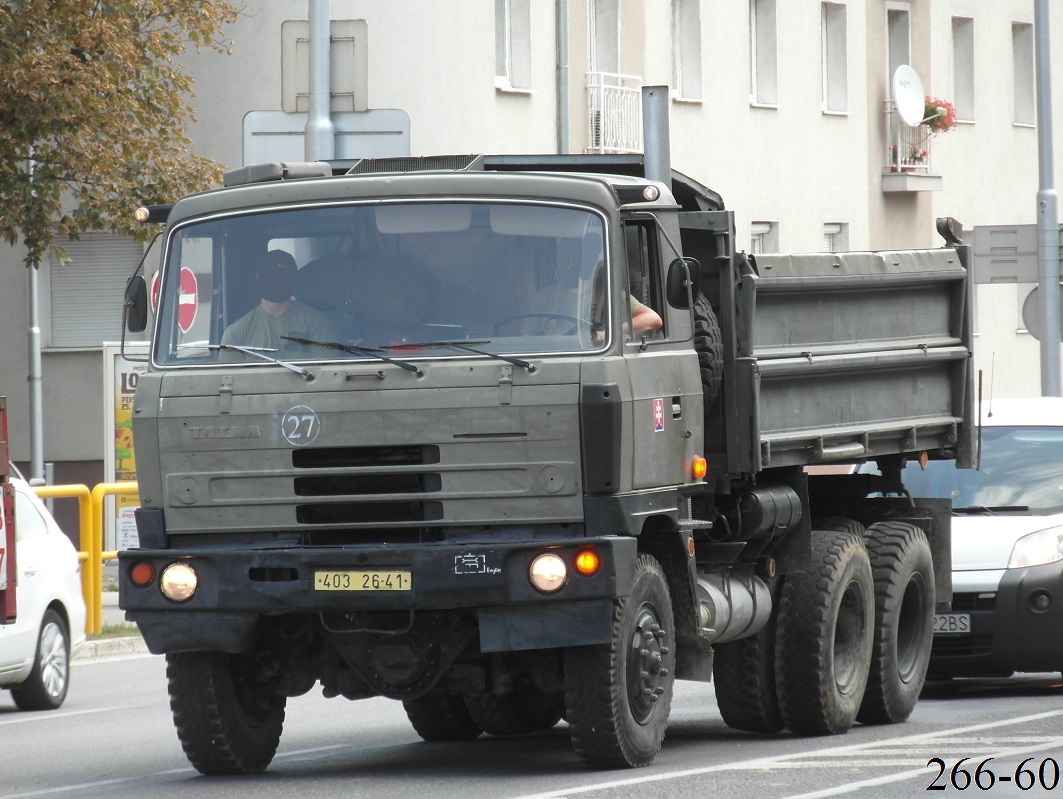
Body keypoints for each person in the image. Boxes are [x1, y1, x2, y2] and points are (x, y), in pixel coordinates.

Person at [221, 250, 334, 357]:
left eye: (282, 275)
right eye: (271, 275)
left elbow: (326, 372)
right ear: (258, 277)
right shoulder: (237, 333)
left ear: (294, 279)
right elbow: (229, 376)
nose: (276, 281)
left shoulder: (316, 323)